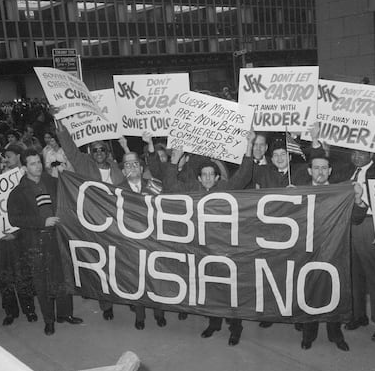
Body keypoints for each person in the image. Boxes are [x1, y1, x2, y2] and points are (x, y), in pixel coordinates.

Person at [163, 130, 255, 346]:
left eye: (210, 175)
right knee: (209, 289)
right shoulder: (191, 190)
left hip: (224, 251)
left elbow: (244, 175)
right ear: (198, 178)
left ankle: (235, 327)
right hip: (201, 251)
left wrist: (248, 146)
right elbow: (169, 187)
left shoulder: (226, 189)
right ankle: (214, 323)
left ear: (216, 177)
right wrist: (174, 161)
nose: (206, 177)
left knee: (229, 290)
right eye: (203, 174)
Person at [7, 149, 83, 335]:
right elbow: (14, 219)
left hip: (57, 237)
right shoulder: (18, 192)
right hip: (35, 242)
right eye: (32, 164)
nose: (38, 166)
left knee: (63, 276)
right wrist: (42, 222)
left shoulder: (54, 182)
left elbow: (68, 200)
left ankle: (65, 314)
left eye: (39, 162)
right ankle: (49, 320)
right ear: (24, 167)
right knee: (42, 283)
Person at [56, 121, 124, 320]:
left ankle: (127, 295)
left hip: (118, 226)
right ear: (90, 152)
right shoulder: (83, 164)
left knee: (121, 263)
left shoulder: (117, 169)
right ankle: (106, 305)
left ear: (108, 152)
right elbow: (70, 148)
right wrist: (59, 123)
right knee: (102, 267)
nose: (99, 152)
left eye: (103, 149)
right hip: (95, 226)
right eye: (95, 150)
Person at [299, 154, 368, 351]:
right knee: (309, 293)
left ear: (330, 171)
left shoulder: (341, 192)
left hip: (335, 252)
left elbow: (356, 218)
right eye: (316, 168)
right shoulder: (299, 193)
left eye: (324, 168)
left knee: (334, 293)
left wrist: (357, 198)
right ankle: (308, 334)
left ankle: (335, 334)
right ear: (310, 171)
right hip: (308, 253)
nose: (320, 172)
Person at [334, 134, 375, 342]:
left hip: (370, 224)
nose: (356, 156)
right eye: (353, 152)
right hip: (349, 224)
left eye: (361, 152)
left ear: (371, 153)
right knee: (353, 274)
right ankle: (358, 314)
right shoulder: (348, 170)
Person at [117, 151, 166, 330]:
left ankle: (159, 313)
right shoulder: (117, 190)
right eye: (127, 165)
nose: (132, 167)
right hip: (132, 244)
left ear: (141, 167)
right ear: (123, 170)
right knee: (136, 280)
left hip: (154, 242)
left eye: (135, 164)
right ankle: (140, 316)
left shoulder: (154, 186)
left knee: (156, 278)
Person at [0, 154, 37, 326]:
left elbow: (25, 211)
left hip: (16, 239)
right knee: (4, 278)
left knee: (22, 275)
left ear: (1, 165)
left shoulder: (13, 185)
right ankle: (10, 311)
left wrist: (15, 233)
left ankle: (29, 309)